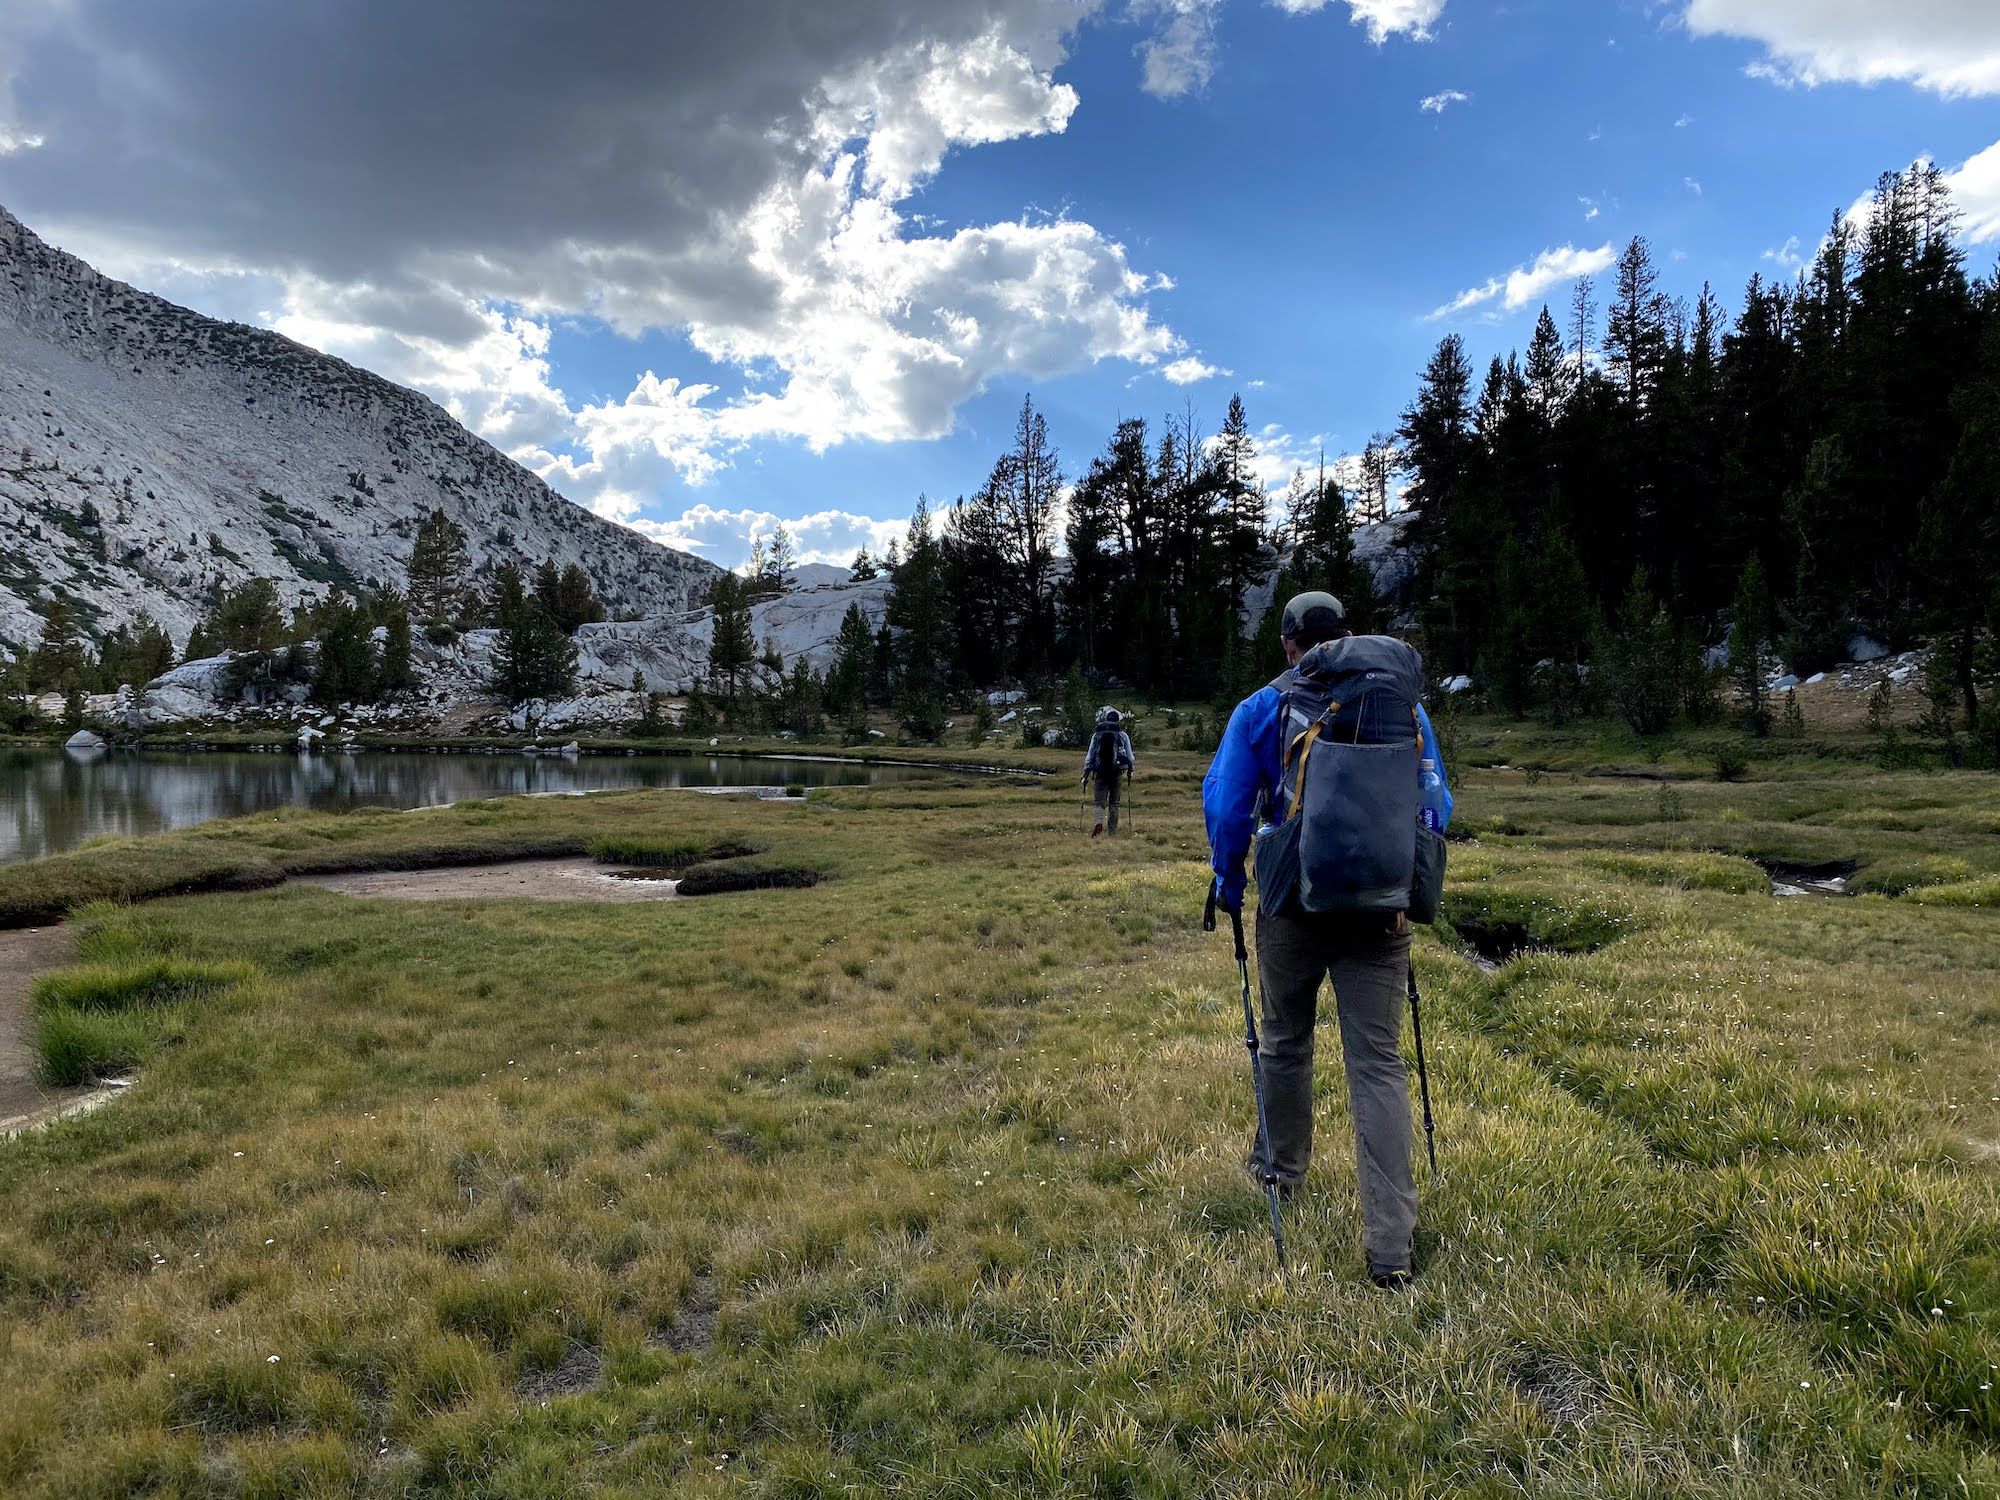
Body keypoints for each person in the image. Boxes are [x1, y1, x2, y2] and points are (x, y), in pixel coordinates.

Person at [1201, 591, 1452, 1288]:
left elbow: (1225, 804)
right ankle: (1391, 1250)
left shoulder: (1263, 707)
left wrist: (1228, 882)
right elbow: (1438, 803)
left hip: (1291, 904)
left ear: (1289, 644)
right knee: (1377, 1064)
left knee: (1284, 1042)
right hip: (1381, 908)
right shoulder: (1401, 706)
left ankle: (1281, 1177)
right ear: (1344, 635)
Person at [1083, 706, 1134, 837]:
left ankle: (1099, 823)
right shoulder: (1122, 735)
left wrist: (1086, 772)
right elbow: (1130, 757)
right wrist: (1130, 771)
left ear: (1106, 720)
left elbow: (1090, 754)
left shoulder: (1097, 734)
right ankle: (1112, 833)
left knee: (1099, 802)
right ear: (1117, 721)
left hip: (1100, 772)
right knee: (1114, 803)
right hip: (1116, 772)